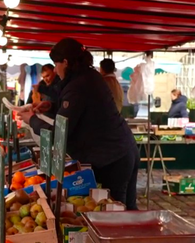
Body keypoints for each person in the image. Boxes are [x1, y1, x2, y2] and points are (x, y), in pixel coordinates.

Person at [17, 38, 139, 210]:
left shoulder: (79, 84)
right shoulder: (88, 76)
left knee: (117, 212)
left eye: (56, 64)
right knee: (127, 210)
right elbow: (78, 111)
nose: (56, 70)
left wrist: (32, 120)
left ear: (65, 62)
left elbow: (58, 134)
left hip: (113, 158)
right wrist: (51, 107)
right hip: (122, 150)